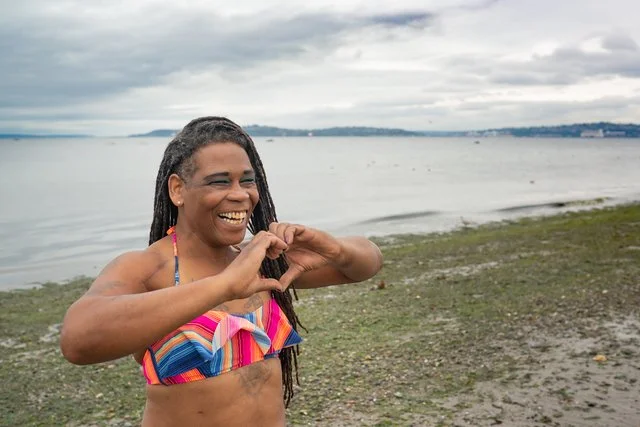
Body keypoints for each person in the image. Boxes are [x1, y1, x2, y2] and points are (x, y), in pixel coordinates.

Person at [60, 116, 383, 426]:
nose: (240, 194)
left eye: (247, 180)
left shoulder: (258, 260)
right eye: (219, 181)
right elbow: (78, 341)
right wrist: (223, 286)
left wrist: (333, 248)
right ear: (178, 190)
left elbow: (366, 264)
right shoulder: (148, 267)